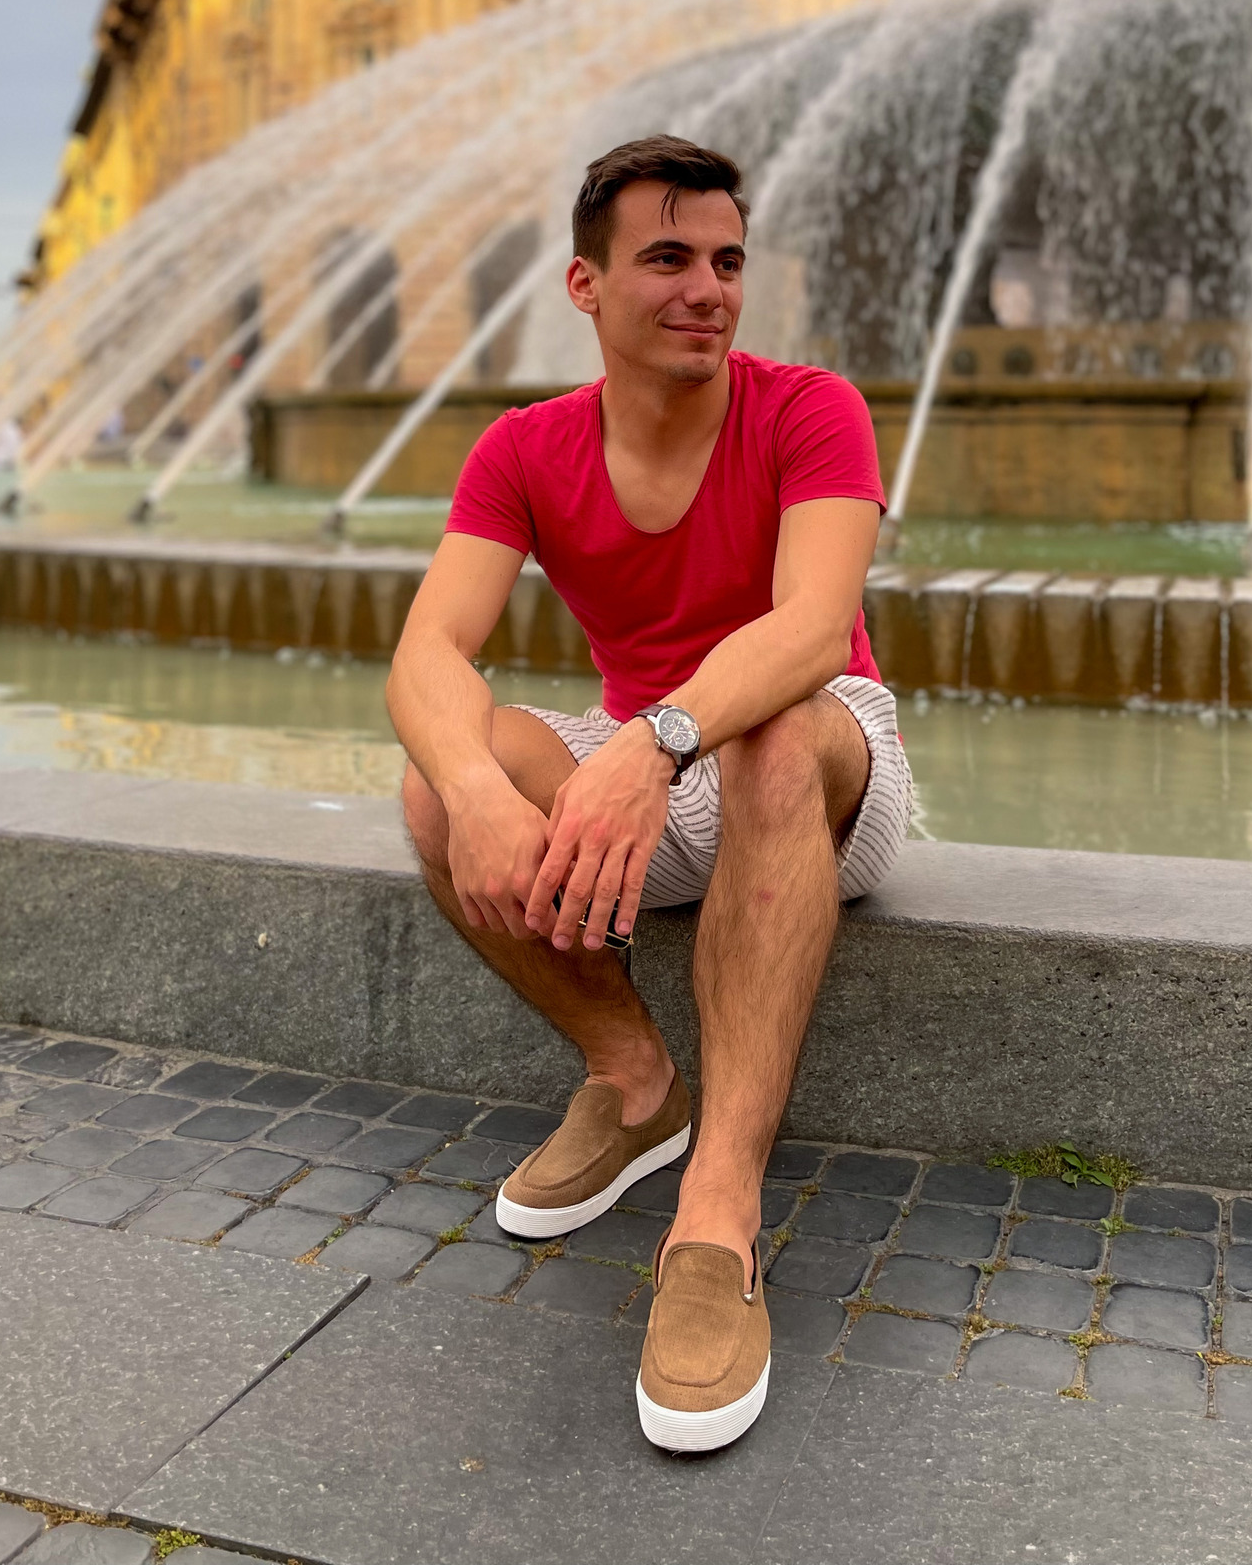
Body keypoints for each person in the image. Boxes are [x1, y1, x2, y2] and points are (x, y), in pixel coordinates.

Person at [387, 133, 911, 1453]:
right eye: (668, 257)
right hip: (660, 768)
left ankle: (716, 1221)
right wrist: (478, 787)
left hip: (818, 765)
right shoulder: (522, 450)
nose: (707, 289)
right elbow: (429, 651)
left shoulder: (810, 408)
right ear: (585, 284)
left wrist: (655, 739)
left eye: (727, 261)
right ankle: (634, 1083)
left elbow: (809, 629)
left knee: (776, 736)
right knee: (442, 777)